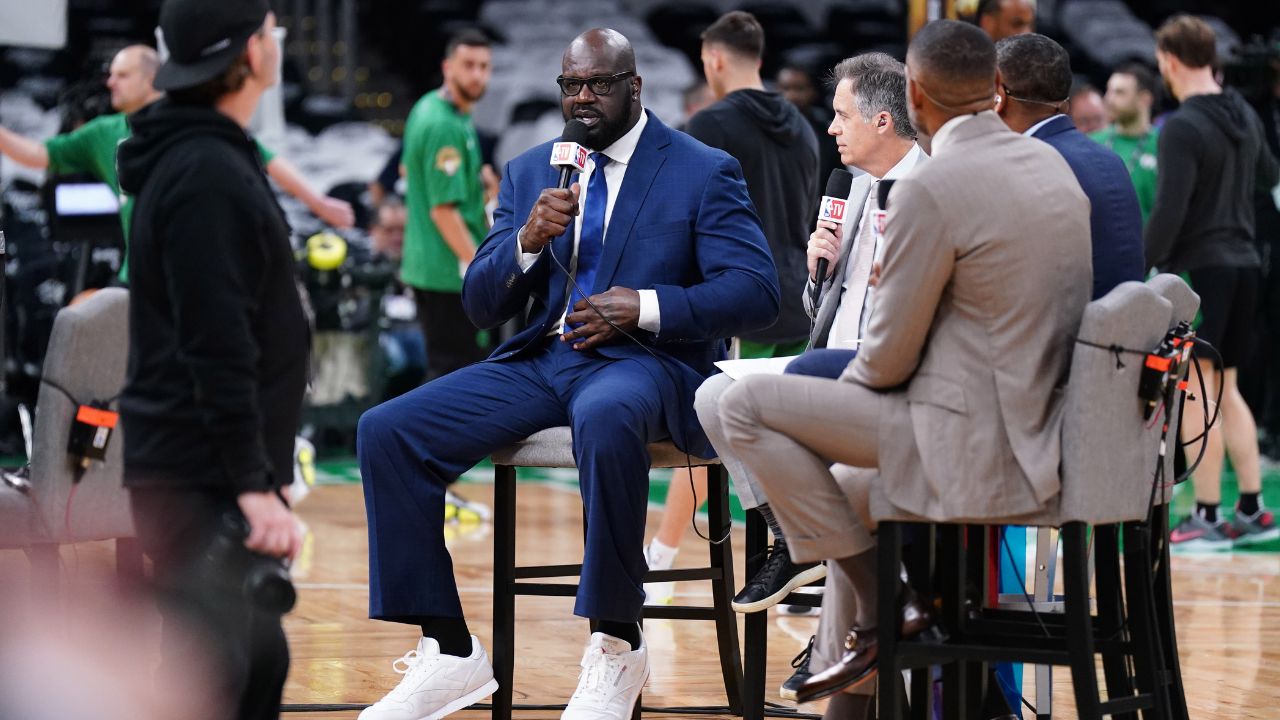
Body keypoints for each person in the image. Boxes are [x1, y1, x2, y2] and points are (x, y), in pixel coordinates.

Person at [355, 28, 779, 720]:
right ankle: (451, 650)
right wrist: (526, 241)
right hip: (544, 359)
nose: (582, 98)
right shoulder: (531, 172)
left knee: (607, 415)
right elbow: (480, 301)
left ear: (633, 87)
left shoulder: (702, 169)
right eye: (570, 85)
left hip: (647, 363)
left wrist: (641, 306)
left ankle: (617, 640)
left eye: (598, 84)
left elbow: (757, 292)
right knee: (388, 429)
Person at [714, 20, 1091, 717]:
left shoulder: (931, 186)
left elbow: (885, 361)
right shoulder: (1050, 167)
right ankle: (868, 633)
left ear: (914, 95)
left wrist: (823, 415)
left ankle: (883, 599)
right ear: (992, 89)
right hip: (1046, 431)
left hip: (966, 441)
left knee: (740, 406)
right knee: (854, 490)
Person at [697, 50, 923, 704]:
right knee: (714, 397)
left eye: (842, 115)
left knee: (746, 407)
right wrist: (819, 272)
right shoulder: (849, 187)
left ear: (884, 120)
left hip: (881, 386)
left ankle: (832, 627)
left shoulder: (929, 189)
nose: (830, 129)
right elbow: (816, 314)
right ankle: (789, 538)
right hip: (831, 368)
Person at [116, 1, 309, 719]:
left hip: (215, 466)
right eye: (267, 30)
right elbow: (215, 341)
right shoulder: (204, 172)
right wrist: (251, 486)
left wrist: (265, 474)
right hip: (199, 471)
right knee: (215, 675)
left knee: (253, 665)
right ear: (251, 52)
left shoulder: (213, 155)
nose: (274, 42)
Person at [643, 9, 816, 609]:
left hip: (744, 302)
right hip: (803, 300)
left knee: (709, 424)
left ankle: (660, 560)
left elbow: (682, 222)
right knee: (789, 439)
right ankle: (799, 566)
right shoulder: (808, 123)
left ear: (713, 59)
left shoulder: (708, 124)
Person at [0, 45, 354, 282]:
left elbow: (265, 156)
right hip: (137, 278)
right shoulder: (102, 134)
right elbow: (37, 154)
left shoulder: (191, 118)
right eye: (110, 74)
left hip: (198, 276)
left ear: (150, 78)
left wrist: (318, 203)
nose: (110, 82)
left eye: (121, 75)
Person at [1145, 15, 1280, 549]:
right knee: (1228, 387)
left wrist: (1143, 263)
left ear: (1170, 61)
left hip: (1202, 269)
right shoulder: (1243, 112)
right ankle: (1251, 505)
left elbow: (1169, 210)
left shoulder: (1181, 125)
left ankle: (1205, 514)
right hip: (1247, 264)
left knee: (1195, 392)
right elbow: (1270, 176)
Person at [995, 33, 1144, 299]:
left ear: (999, 98)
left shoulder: (1028, 165)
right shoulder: (1110, 159)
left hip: (1069, 332)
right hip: (1125, 330)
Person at [400, 29, 494, 381]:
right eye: (468, 65)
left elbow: (406, 168)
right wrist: (480, 269)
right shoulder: (445, 126)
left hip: (427, 264)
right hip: (448, 272)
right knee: (453, 376)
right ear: (447, 67)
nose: (477, 74)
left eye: (484, 66)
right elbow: (443, 211)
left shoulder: (432, 108)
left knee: (445, 370)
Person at [1091, 63, 1162, 225]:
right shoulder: (1092, 143)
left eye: (1119, 93)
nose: (1109, 99)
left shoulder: (1164, 145)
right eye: (1108, 91)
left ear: (1145, 99)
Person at [776, 62, 845, 195]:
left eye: (799, 89)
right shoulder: (763, 130)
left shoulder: (829, 133)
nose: (792, 96)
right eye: (785, 88)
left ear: (813, 91)